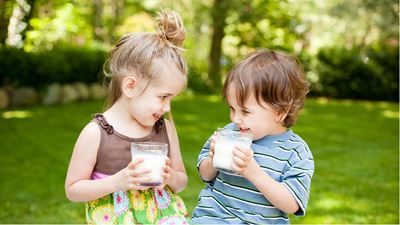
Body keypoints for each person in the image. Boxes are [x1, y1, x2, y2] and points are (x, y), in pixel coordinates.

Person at [65, 11, 189, 225]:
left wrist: (169, 178)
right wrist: (117, 182)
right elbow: (73, 189)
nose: (167, 107)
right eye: (163, 97)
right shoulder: (96, 133)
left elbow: (182, 181)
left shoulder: (165, 128)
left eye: (172, 99)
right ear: (131, 86)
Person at [191, 49, 314, 224]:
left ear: (280, 112)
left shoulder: (295, 152)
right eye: (232, 108)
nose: (235, 118)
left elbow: (292, 204)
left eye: (246, 111)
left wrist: (254, 173)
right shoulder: (230, 132)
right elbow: (205, 175)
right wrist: (213, 159)